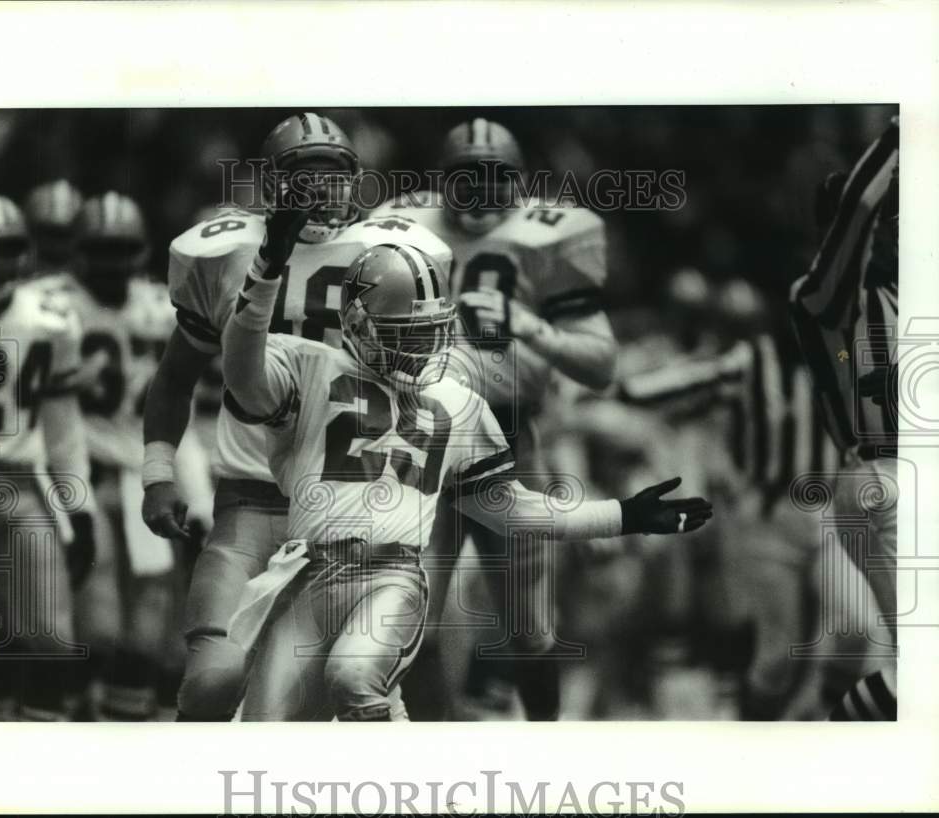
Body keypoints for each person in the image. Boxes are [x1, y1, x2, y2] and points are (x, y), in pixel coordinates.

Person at [222, 220, 712, 721]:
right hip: (309, 574)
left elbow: (513, 511)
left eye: (430, 332)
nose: (424, 350)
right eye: (406, 334)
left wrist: (622, 515)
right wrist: (264, 271)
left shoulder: (456, 404)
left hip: (392, 574)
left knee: (354, 675)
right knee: (265, 730)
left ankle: (403, 793)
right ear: (360, 325)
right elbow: (241, 373)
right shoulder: (310, 367)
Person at [141, 113, 451, 720]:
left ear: (355, 180)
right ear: (271, 182)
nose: (319, 189)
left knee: (351, 690)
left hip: (354, 507)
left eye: (332, 175)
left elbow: (433, 374)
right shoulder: (226, 251)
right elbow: (174, 377)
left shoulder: (396, 251)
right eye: (302, 175)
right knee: (211, 683)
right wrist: (158, 474)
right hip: (253, 499)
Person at [372, 117, 619, 720]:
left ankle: (542, 751)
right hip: (418, 436)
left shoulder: (549, 234)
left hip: (509, 436)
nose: (480, 193)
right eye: (466, 180)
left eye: (494, 179)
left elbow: (600, 363)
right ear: (439, 182)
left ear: (521, 183)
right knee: (408, 620)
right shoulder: (399, 224)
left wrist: (529, 325)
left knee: (531, 629)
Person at [66, 192, 210, 720]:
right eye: (100, 249)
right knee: (95, 629)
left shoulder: (158, 310)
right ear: (78, 251)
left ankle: (121, 729)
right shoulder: (56, 307)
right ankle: (73, 718)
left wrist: (196, 496)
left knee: (148, 635)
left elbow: (179, 417)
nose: (112, 262)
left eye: (121, 249)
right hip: (85, 476)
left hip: (143, 481)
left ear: (143, 251)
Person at [790, 117, 899, 721]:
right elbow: (858, 212)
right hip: (883, 473)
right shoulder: (825, 296)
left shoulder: (900, 293)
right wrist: (899, 130)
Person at [0, 193, 95, 721]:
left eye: (7, 248)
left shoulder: (48, 317)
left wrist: (80, 504)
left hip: (20, 480)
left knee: (50, 636)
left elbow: (63, 425)